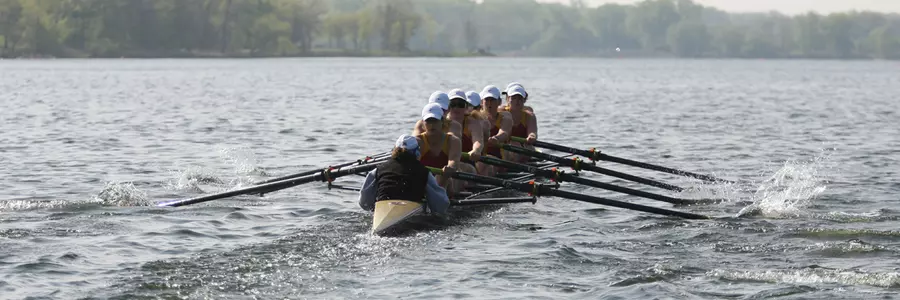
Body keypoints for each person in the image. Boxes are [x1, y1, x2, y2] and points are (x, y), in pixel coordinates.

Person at [358, 134, 450, 215]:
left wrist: (374, 208)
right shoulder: (424, 172)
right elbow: (441, 206)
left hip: (383, 207)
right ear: (417, 152)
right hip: (410, 209)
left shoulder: (378, 169)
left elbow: (364, 202)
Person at [417, 103, 465, 195]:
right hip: (424, 180)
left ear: (442, 121)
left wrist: (450, 167)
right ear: (423, 123)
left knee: (440, 177)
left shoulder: (453, 140)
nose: (431, 125)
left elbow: (453, 160)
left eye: (435, 121)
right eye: (428, 121)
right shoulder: (418, 142)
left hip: (447, 180)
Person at [478, 85, 513, 175]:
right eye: (487, 100)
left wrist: (496, 138)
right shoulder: (475, 118)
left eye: (492, 100)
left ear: (499, 102)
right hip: (479, 158)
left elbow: (504, 132)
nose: (489, 103)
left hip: (500, 159)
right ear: (482, 102)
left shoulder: (505, 117)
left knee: (484, 164)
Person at [502, 84, 538, 163]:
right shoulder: (501, 113)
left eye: (520, 98)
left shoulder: (529, 116)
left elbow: (532, 131)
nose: (517, 101)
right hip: (506, 148)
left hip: (524, 147)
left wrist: (532, 136)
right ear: (508, 99)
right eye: (514, 98)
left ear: (524, 100)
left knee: (528, 148)